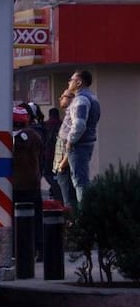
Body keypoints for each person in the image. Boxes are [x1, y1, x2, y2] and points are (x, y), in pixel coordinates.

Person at [62, 69, 101, 208]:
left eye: (71, 79)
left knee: (79, 181)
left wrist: (70, 141)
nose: (69, 82)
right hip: (87, 142)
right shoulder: (92, 97)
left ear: (78, 82)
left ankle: (84, 214)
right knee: (81, 178)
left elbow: (79, 124)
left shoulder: (81, 99)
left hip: (79, 145)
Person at [12, 105, 44, 259]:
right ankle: (40, 249)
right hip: (33, 184)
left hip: (16, 186)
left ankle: (19, 250)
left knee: (16, 221)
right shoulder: (36, 135)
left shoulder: (13, 138)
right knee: (36, 219)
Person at [53, 89, 76, 209]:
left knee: (69, 200)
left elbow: (72, 142)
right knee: (65, 198)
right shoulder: (67, 115)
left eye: (63, 96)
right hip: (61, 165)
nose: (60, 98)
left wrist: (63, 163)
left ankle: (72, 223)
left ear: (72, 99)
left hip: (66, 166)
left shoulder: (72, 116)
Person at [42, 105, 64, 201]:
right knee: (58, 174)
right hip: (60, 155)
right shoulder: (62, 124)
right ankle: (55, 189)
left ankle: (54, 188)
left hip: (47, 154)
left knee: (47, 174)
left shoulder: (45, 125)